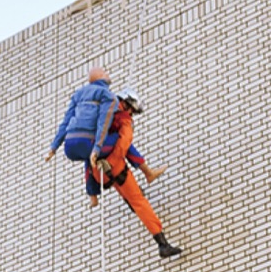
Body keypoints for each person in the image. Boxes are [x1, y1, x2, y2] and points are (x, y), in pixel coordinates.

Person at [47, 77, 182, 260]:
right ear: (128, 105)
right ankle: (162, 244)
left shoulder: (99, 112)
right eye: (132, 112)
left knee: (91, 153)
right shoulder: (122, 119)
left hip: (99, 174)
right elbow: (125, 144)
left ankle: (93, 195)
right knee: (139, 201)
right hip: (116, 168)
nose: (131, 115)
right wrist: (115, 159)